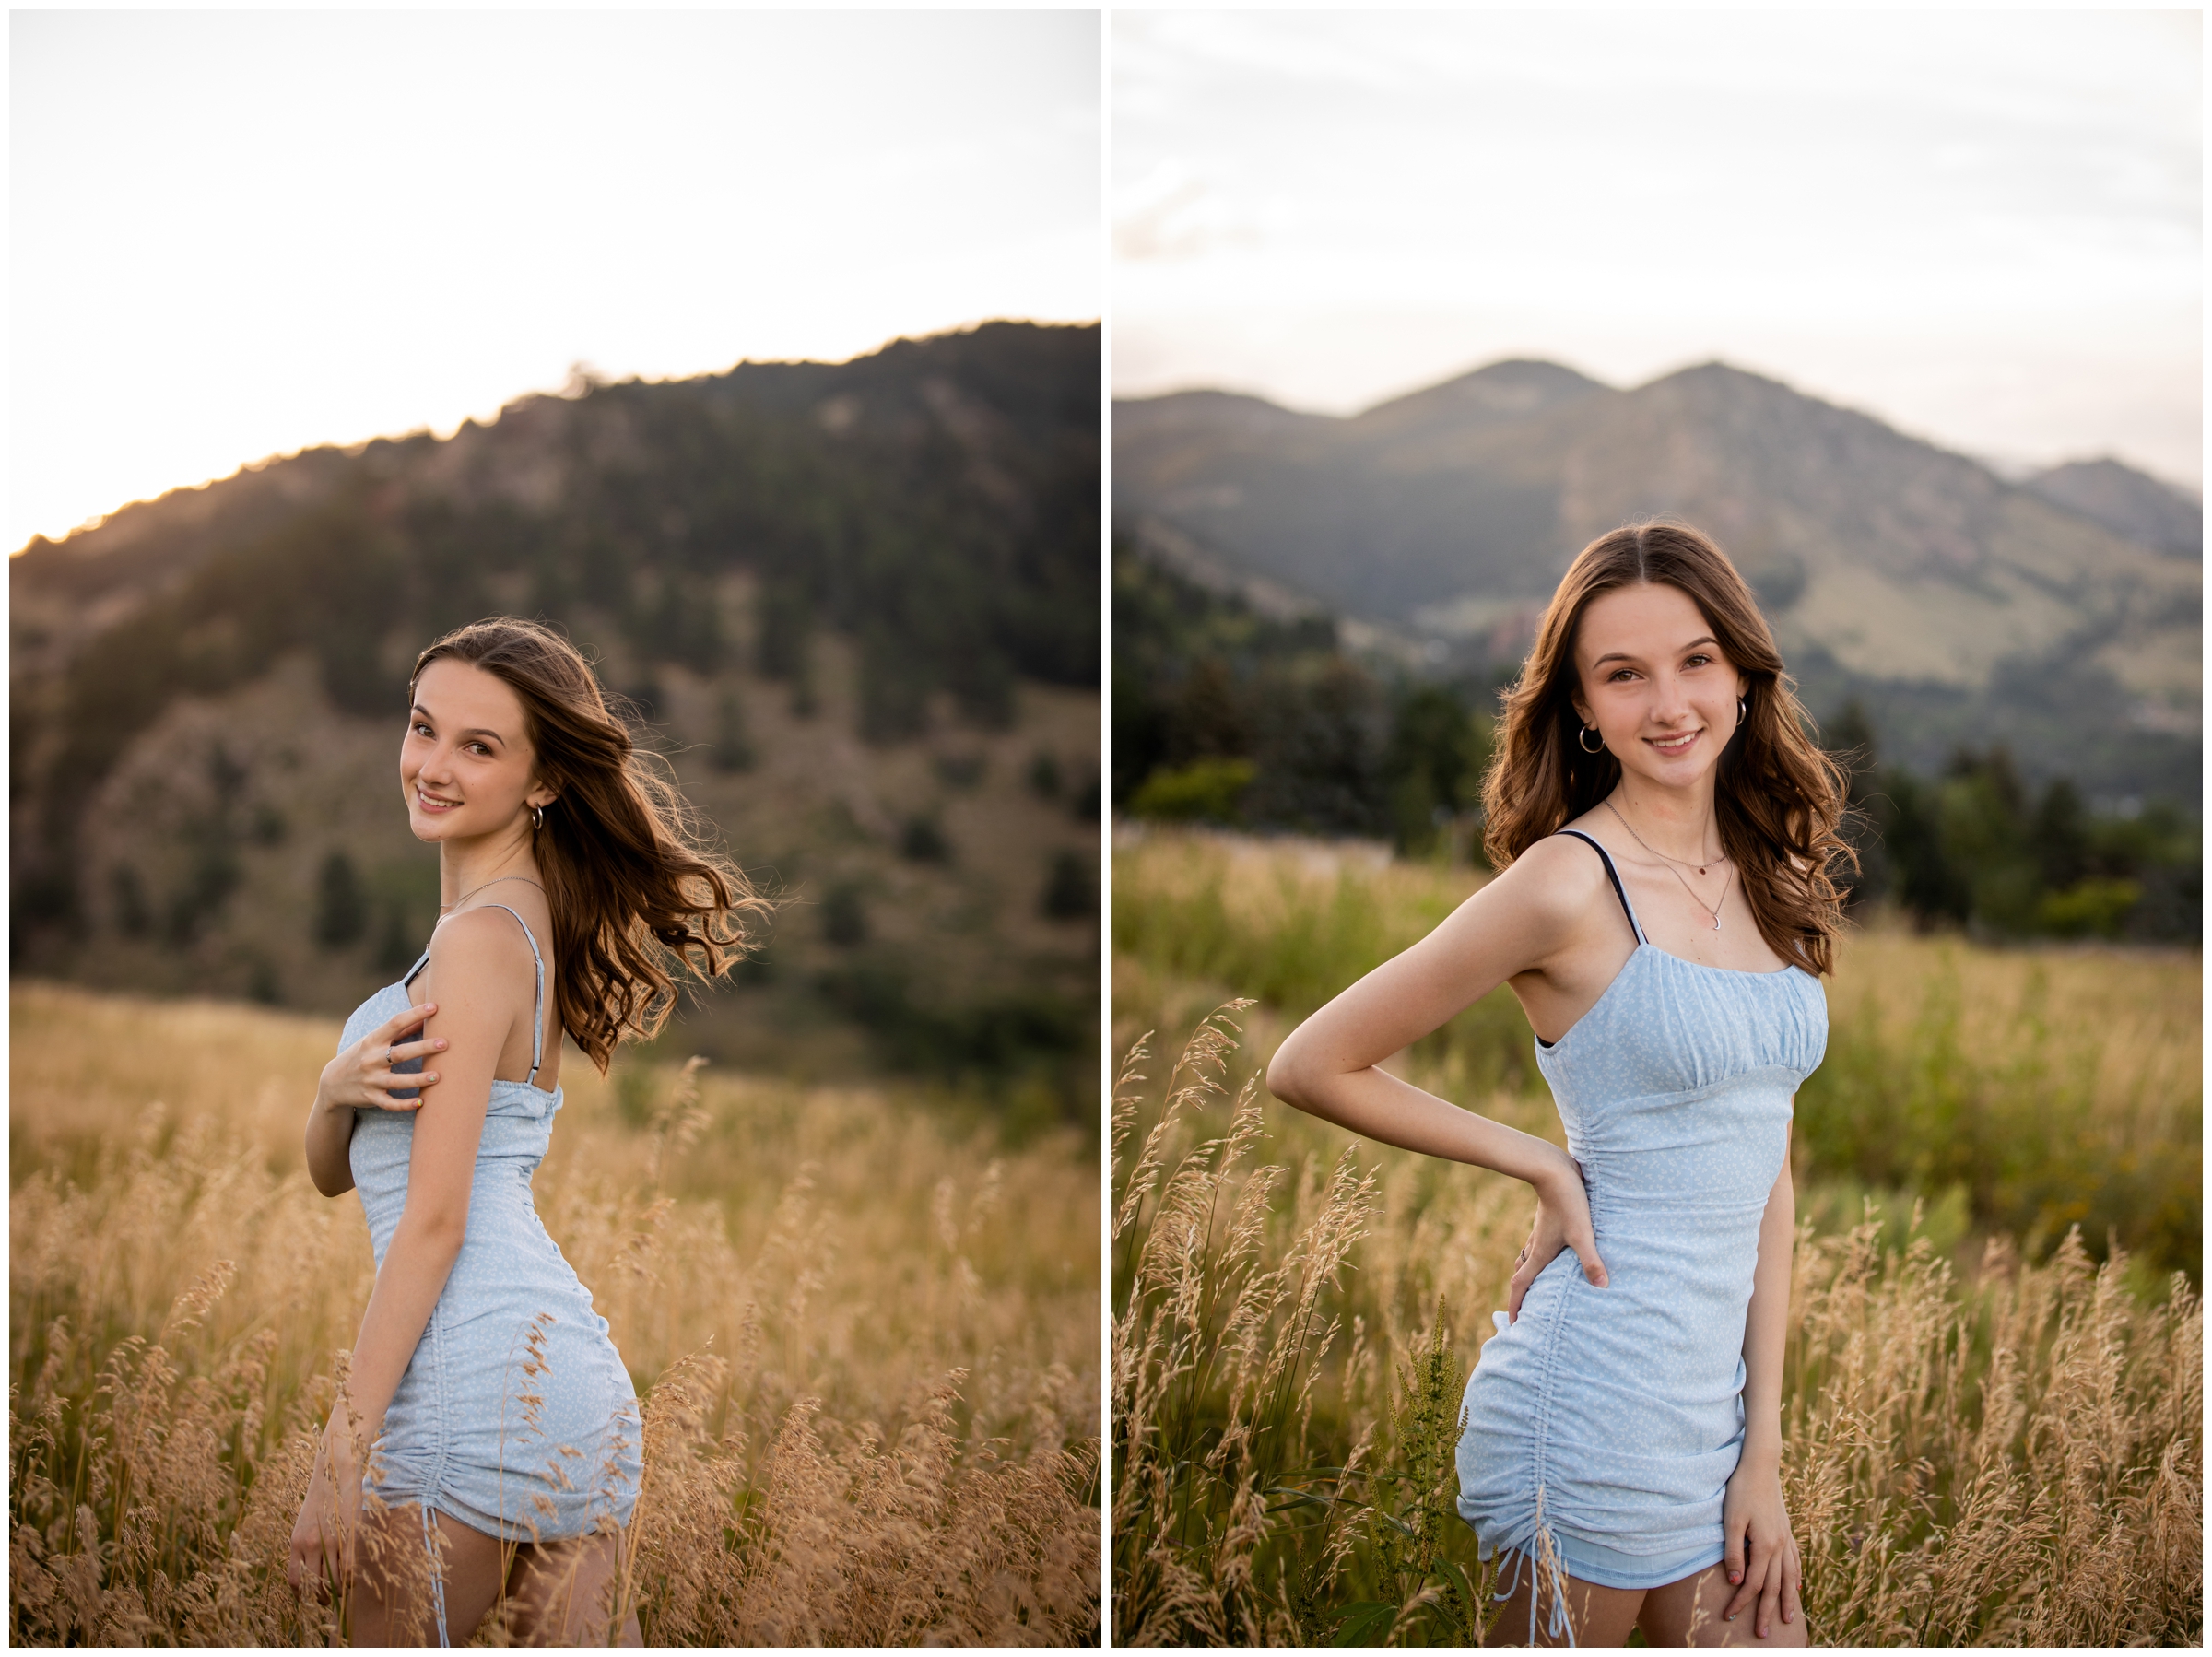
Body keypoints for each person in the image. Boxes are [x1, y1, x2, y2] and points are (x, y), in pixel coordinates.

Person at [1266, 523, 1852, 1647]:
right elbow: (1311, 1062)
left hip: (1713, 1427)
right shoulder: (1564, 885)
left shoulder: (1769, 873)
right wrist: (1536, 1157)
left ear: (1740, 669)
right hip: (1587, 1410)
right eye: (1623, 674)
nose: (1668, 702)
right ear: (1582, 706)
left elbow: (1767, 1175)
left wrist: (1761, 1453)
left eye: (1694, 660)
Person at [288, 617, 767, 1644]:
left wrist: (341, 1453)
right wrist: (334, 1089)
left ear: (544, 780)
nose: (433, 765)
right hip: (565, 1393)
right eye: (424, 728)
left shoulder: (477, 943)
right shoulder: (511, 929)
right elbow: (336, 1174)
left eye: (480, 745)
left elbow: (435, 1221)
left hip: (476, 1392)